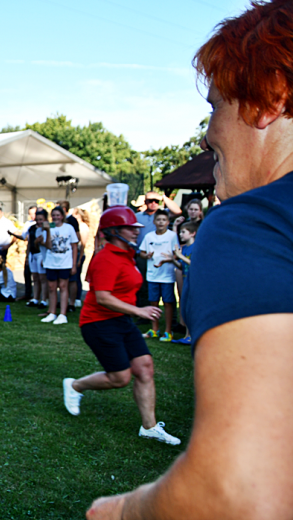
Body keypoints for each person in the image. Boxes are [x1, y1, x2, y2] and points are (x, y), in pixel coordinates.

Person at [86, 2, 293, 518]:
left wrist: (120, 512)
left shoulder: (253, 224)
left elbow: (235, 486)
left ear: (268, 98)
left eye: (216, 104)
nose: (207, 131)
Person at [62, 206, 180, 448]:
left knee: (145, 368)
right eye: (130, 227)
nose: (136, 231)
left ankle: (149, 427)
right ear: (114, 231)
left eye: (136, 227)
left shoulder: (128, 254)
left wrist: (133, 311)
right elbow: (103, 297)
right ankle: (75, 385)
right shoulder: (105, 258)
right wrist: (139, 311)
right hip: (98, 322)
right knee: (120, 377)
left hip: (121, 319)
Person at [134, 191, 181, 308]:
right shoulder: (137, 216)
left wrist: (163, 197)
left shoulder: (163, 215)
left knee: (167, 288)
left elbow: (178, 211)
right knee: (143, 285)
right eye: (150, 201)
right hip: (143, 254)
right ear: (145, 202)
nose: (154, 203)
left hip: (164, 256)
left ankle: (172, 317)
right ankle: (143, 312)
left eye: (156, 201)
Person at [138, 210, 178, 342]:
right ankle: (154, 329)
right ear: (154, 222)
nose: (161, 222)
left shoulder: (172, 236)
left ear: (168, 222)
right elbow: (142, 253)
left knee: (167, 302)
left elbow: (176, 255)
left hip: (167, 275)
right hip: (152, 275)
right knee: (153, 302)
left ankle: (168, 331)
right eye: (158, 220)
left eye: (163, 220)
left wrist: (166, 260)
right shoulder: (149, 236)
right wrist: (147, 256)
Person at [41, 206, 79, 325]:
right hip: (51, 261)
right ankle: (52, 312)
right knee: (52, 287)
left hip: (65, 262)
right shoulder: (49, 227)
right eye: (53, 215)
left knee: (63, 286)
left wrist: (74, 264)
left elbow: (74, 246)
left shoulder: (69, 228)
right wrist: (47, 231)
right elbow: (47, 245)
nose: (56, 217)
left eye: (58, 215)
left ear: (62, 216)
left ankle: (63, 314)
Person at [170, 220, 198, 345]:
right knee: (185, 307)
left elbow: (196, 265)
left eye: (183, 232)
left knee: (192, 308)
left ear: (193, 233)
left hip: (194, 281)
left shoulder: (197, 247)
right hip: (186, 279)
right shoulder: (184, 248)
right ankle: (187, 335)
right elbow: (182, 267)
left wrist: (180, 256)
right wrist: (173, 259)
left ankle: (193, 335)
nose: (180, 234)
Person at [58, 200, 83, 312]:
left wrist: (76, 259)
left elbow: (76, 239)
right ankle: (65, 300)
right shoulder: (57, 222)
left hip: (70, 254)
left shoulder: (72, 220)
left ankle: (72, 302)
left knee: (72, 279)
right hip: (60, 255)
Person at [27, 209, 50, 309]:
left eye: (41, 219)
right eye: (38, 219)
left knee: (43, 278)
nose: (39, 221)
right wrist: (27, 256)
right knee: (35, 278)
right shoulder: (32, 228)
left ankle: (44, 299)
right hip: (33, 253)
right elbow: (30, 242)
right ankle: (35, 298)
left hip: (42, 254)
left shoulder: (49, 228)